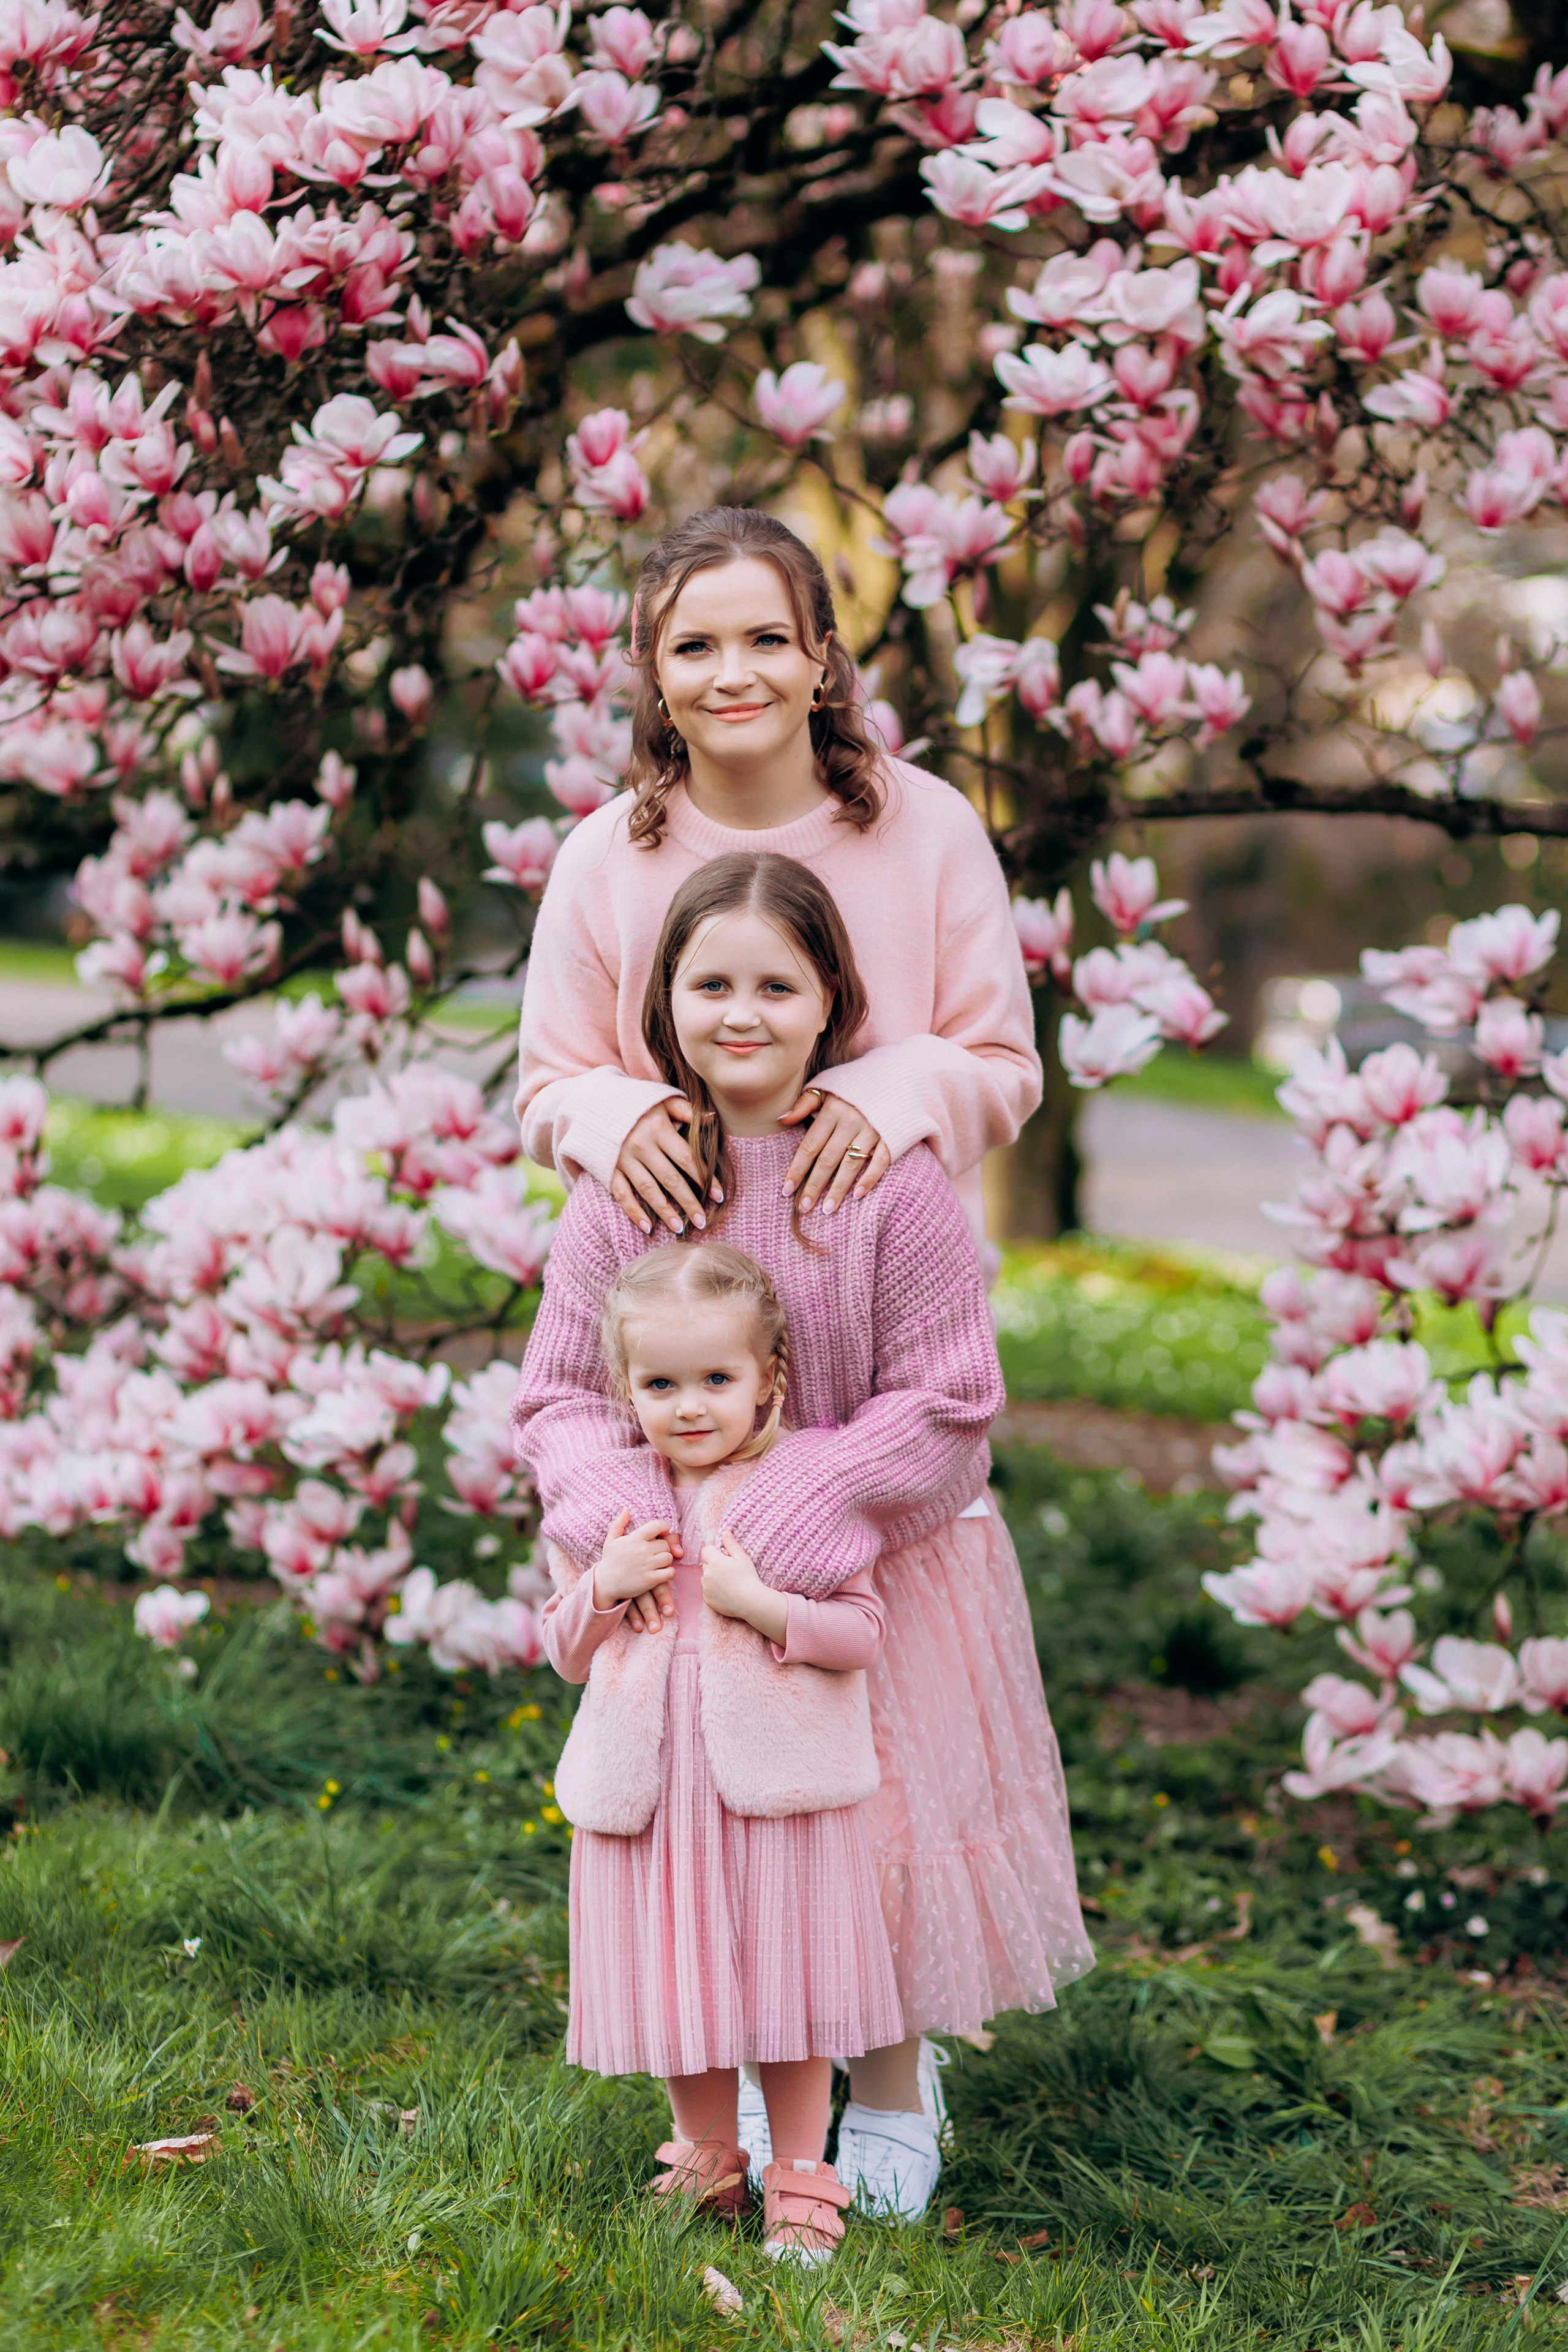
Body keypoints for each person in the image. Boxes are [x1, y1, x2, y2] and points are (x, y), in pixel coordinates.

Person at [514, 852, 1093, 2222]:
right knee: (724, 1841)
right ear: (664, 999)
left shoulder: (883, 1179)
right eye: (710, 983)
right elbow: (561, 1392)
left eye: (776, 985)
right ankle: (731, 2111)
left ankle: (887, 2092)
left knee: (873, 1834)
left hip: (870, 1550)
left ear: (832, 997)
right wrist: (624, 1516)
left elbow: (950, 1397)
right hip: (685, 1576)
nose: (741, 1014)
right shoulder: (632, 1183)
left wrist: (794, 1503)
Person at [514, 503, 1041, 1248]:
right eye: (694, 647)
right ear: (656, 672)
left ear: (819, 658)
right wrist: (609, 1118)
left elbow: (1003, 1067)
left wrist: (897, 1091)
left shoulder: (932, 830)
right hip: (674, 1304)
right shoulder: (601, 859)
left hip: (895, 1297)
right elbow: (550, 1089)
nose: (734, 677)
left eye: (767, 640)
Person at [541, 1242, 899, 2267]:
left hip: (774, 1789)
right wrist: (604, 1584)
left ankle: (801, 2174)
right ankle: (706, 2158)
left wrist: (762, 1606)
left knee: (788, 1986)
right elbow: (566, 1652)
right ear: (625, 1389)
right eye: (660, 1384)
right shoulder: (606, 1505)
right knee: (679, 1979)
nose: (690, 1406)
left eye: (716, 1379)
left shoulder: (804, 1493)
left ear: (767, 1378)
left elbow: (862, 1634)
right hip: (656, 1790)